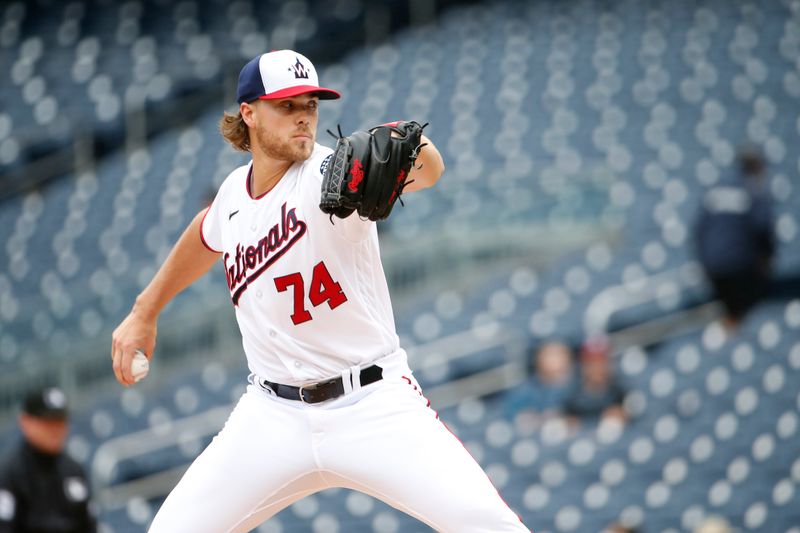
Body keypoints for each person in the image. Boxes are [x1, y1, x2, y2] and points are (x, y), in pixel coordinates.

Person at [110, 49, 529, 532]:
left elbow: (429, 171)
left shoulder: (332, 174)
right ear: (248, 113)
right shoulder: (231, 195)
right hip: (272, 416)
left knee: (486, 521)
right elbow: (205, 235)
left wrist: (408, 140)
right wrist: (146, 309)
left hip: (371, 402)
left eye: (310, 104)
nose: (303, 116)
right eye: (286, 105)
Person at [694, 145, 775, 330]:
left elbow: (699, 230)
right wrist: (767, 261)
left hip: (714, 265)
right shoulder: (753, 192)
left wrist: (704, 263)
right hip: (740, 265)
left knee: (727, 310)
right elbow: (763, 229)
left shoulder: (715, 190)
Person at [0, 387, 97, 533]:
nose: (56, 429)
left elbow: (90, 525)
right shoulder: (9, 474)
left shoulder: (73, 470)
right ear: (26, 421)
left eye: (61, 421)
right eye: (48, 421)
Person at [503, 341, 574, 430]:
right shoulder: (525, 390)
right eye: (551, 355)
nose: (556, 361)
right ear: (539, 358)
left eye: (560, 355)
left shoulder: (577, 387)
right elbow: (510, 417)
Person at [563, 335, 627, 425]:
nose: (597, 368)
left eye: (601, 362)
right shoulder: (572, 396)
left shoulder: (619, 392)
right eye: (591, 363)